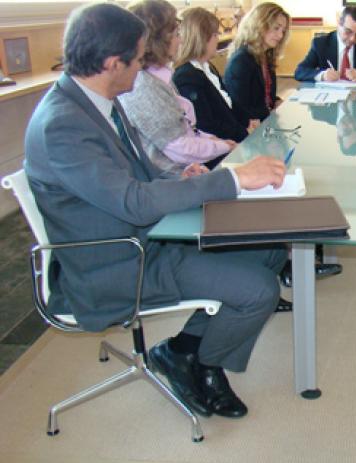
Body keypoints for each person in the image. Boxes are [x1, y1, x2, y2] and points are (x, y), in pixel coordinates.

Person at [24, 3, 291, 419]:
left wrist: (180, 177)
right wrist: (234, 179)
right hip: (117, 259)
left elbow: (133, 175)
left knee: (269, 249)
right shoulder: (63, 124)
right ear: (112, 63)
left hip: (150, 234)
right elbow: (133, 202)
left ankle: (181, 350)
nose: (143, 68)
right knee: (259, 290)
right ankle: (203, 366)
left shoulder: (94, 100)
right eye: (137, 59)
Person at [118, 0, 234, 175]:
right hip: (170, 180)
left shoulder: (158, 76)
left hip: (187, 171)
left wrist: (213, 140)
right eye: (176, 34)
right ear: (158, 40)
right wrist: (224, 146)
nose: (180, 41)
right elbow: (179, 147)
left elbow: (184, 129)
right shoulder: (143, 86)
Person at [173, 7, 258, 143]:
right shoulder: (186, 77)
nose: (218, 39)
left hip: (235, 136)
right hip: (221, 146)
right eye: (215, 35)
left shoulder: (207, 67)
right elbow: (206, 125)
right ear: (201, 38)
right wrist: (243, 133)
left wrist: (247, 120)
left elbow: (228, 103)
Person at [223, 2, 289, 122]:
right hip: (249, 127)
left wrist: (276, 101)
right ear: (259, 25)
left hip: (264, 121)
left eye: (283, 31)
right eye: (276, 28)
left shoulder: (266, 56)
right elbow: (239, 108)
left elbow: (263, 97)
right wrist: (269, 111)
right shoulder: (241, 61)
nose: (280, 35)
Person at [294, 6, 356, 83]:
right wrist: (323, 75)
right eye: (348, 32)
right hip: (329, 94)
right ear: (338, 24)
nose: (353, 39)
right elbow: (300, 71)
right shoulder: (321, 44)